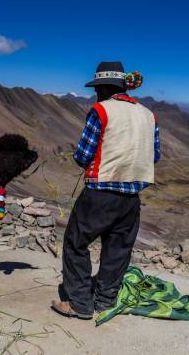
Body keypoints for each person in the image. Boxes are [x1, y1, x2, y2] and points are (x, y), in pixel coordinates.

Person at [51, 61, 161, 319]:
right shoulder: (148, 114)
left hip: (101, 193)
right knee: (118, 249)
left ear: (102, 89)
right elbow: (154, 155)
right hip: (131, 198)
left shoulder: (101, 110)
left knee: (76, 243)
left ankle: (79, 304)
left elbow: (83, 155)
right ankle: (104, 301)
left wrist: (87, 157)